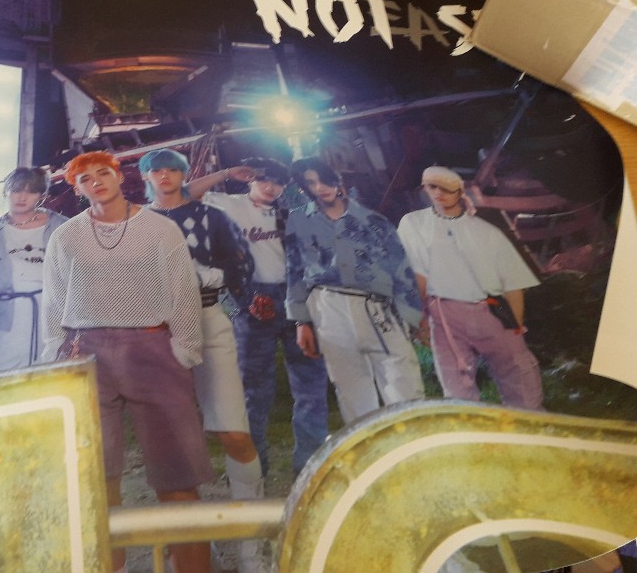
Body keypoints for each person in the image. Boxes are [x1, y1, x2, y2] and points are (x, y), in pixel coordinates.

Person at [41, 150, 212, 573]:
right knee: (95, 475)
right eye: (85, 179)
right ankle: (109, 566)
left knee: (177, 471)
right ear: (76, 188)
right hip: (87, 353)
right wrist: (54, 354)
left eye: (103, 173)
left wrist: (184, 349)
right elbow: (54, 300)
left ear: (120, 176)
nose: (96, 182)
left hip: (151, 348)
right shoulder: (66, 236)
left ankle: (189, 565)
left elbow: (183, 291)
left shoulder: (159, 228)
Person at [141, 148, 269, 573]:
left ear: (183, 175)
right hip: (155, 330)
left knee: (233, 431)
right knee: (172, 443)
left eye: (172, 170)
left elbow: (241, 266)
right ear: (146, 177)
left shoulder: (212, 217)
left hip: (208, 317)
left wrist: (243, 299)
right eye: (156, 171)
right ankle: (191, 549)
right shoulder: (135, 222)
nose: (164, 177)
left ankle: (252, 545)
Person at [189, 157, 330, 478]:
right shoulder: (229, 205)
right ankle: (253, 466)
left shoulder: (293, 210)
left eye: (278, 182)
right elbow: (185, 193)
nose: (271, 187)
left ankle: (311, 464)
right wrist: (227, 172)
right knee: (253, 390)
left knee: (311, 385)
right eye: (264, 179)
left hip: (297, 299)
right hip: (252, 300)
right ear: (249, 179)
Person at [284, 157, 424, 424]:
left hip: (377, 307)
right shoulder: (299, 220)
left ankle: (413, 441)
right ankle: (367, 445)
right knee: (351, 389)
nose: (320, 187)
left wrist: (413, 316)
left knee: (402, 381)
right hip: (328, 305)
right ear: (304, 187)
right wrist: (301, 321)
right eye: (311, 183)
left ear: (337, 180)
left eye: (324, 180)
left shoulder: (373, 221)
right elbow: (294, 269)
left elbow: (401, 269)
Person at [397, 166, 543, 409]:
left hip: (493, 307)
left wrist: (516, 324)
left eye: (446, 188)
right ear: (423, 188)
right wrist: (417, 318)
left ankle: (531, 422)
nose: (438, 193)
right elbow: (416, 275)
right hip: (445, 312)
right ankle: (469, 426)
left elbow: (513, 283)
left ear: (459, 191)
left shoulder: (486, 230)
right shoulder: (414, 223)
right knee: (457, 386)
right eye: (432, 187)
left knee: (518, 373)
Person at [0, 167, 68, 375]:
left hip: (53, 322)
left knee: (50, 382)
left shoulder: (64, 228)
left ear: (41, 196)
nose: (22, 197)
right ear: (5, 192)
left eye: (31, 191)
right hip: (0, 325)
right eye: (16, 190)